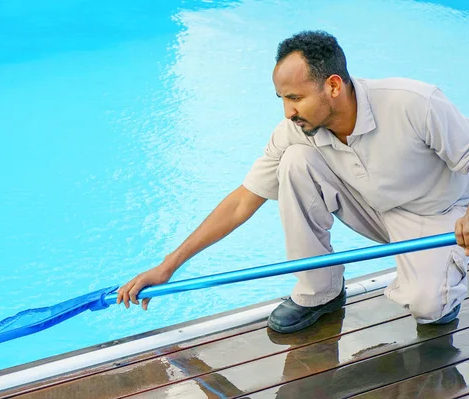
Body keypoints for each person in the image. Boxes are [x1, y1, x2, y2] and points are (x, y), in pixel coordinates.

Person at [116, 30, 469, 333]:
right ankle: (320, 290)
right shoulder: (295, 131)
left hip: (443, 217)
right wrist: (168, 265)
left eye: (295, 98)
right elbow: (243, 200)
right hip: (377, 211)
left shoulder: (415, 103)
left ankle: (448, 276)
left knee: (429, 310)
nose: (288, 112)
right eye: (282, 99)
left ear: (333, 86)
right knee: (295, 162)